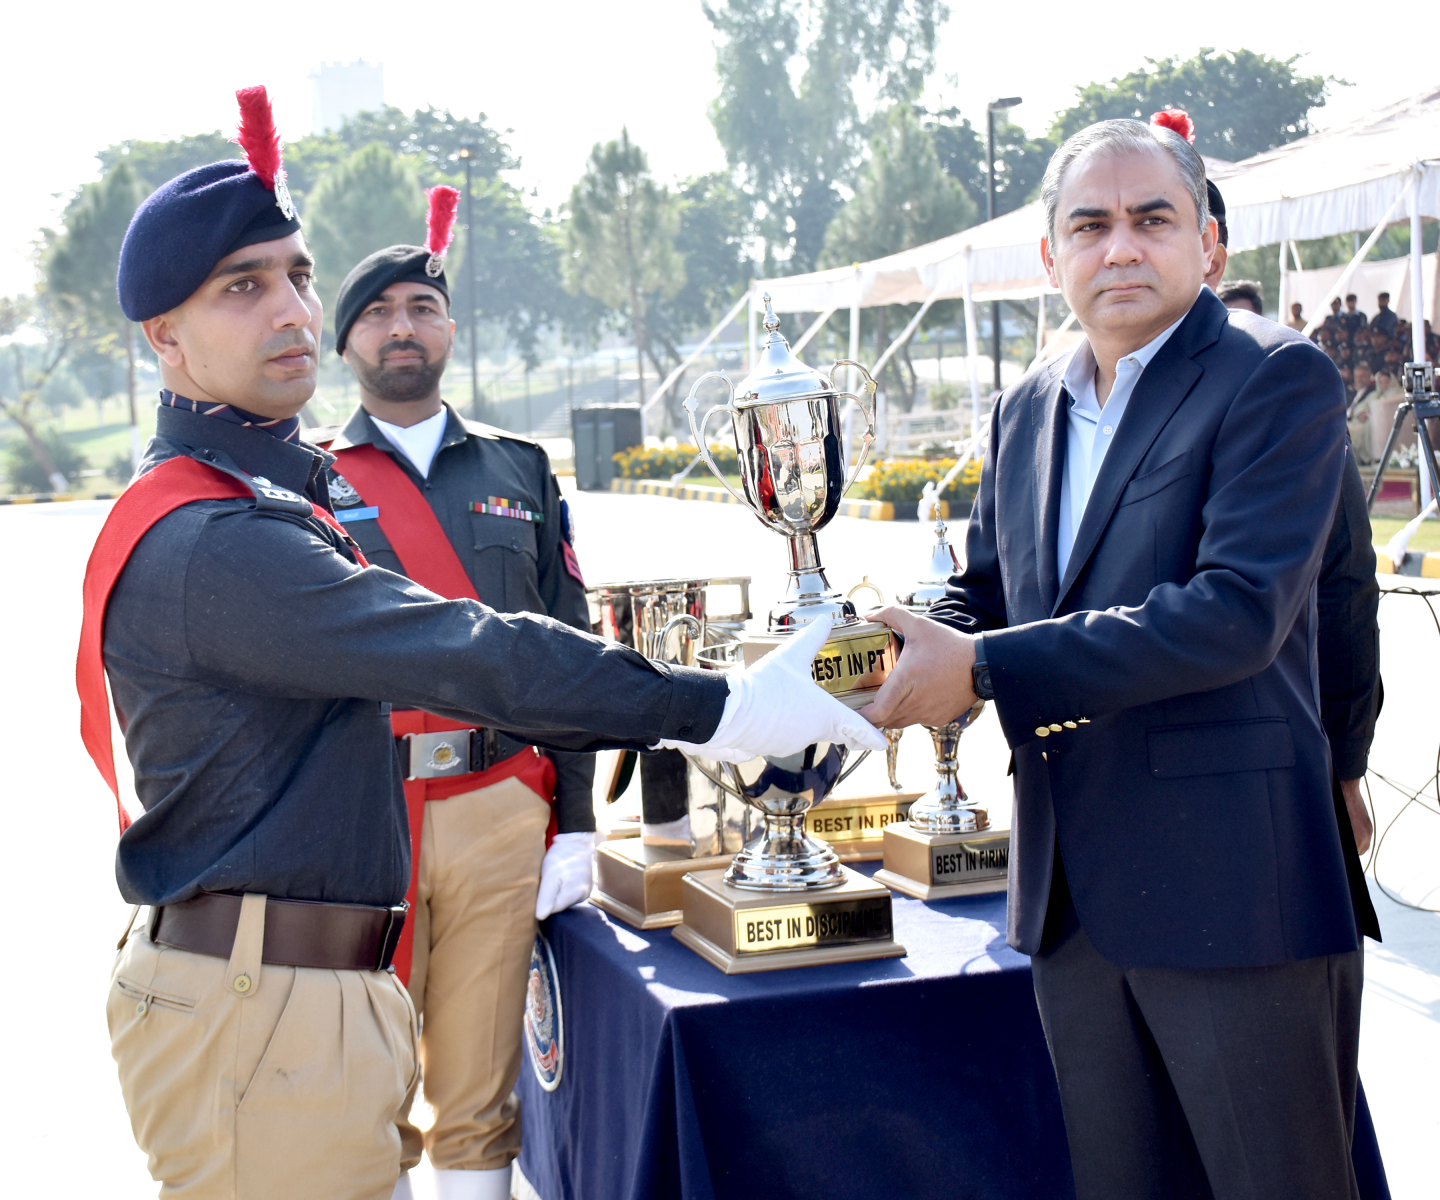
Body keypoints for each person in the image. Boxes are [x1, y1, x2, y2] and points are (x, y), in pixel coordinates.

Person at [88, 86, 883, 1200]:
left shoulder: (260, 495)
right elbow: (470, 651)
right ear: (164, 336)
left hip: (297, 981)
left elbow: (536, 623)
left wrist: (573, 809)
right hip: (262, 1004)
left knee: (474, 1115)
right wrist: (726, 708)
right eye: (242, 287)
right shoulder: (218, 538)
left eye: (298, 276)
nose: (291, 311)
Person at [863, 116, 1362, 1198]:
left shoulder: (1275, 378)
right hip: (1073, 900)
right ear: (1052, 257)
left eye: (1152, 219)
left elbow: (1233, 614)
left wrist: (982, 669)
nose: (1120, 247)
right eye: (1090, 225)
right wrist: (873, 646)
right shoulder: (1026, 407)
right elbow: (987, 592)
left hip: (1235, 895)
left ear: (1208, 245)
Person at [309, 192, 594, 1200]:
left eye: (422, 307)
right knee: (360, 1091)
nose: (403, 326)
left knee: (479, 1093)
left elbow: (571, 650)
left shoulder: (522, 469)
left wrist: (577, 820)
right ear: (346, 342)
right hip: (361, 819)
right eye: (378, 312)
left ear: (450, 329)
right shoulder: (305, 482)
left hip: (498, 809)